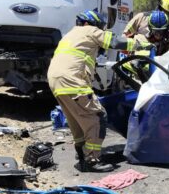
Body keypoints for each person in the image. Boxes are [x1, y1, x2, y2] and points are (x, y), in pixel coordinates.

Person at [47, 10, 150, 172]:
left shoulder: (70, 35)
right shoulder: (90, 30)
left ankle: (82, 155)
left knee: (78, 120)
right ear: (92, 23)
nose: (101, 30)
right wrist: (140, 45)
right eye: (100, 27)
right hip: (72, 80)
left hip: (56, 81)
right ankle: (92, 160)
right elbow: (115, 42)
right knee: (97, 116)